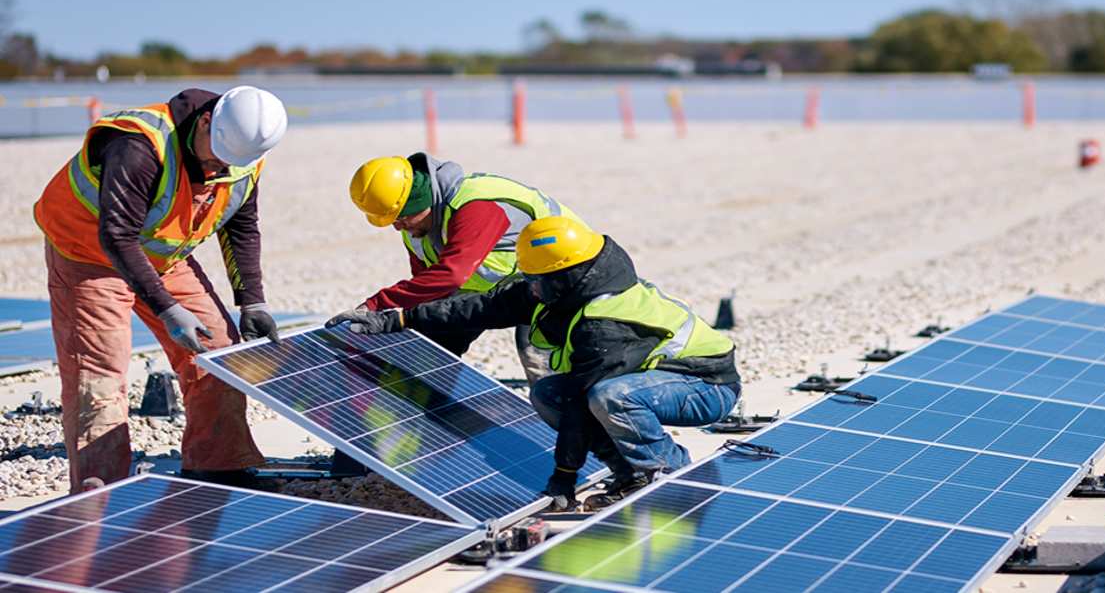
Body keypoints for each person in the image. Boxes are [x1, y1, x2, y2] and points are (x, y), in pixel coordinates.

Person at [327, 216, 740, 509]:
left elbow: (581, 405)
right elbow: (479, 307)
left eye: (536, 281)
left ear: (563, 275)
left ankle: (666, 472)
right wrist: (398, 319)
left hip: (707, 385)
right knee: (547, 394)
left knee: (608, 396)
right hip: (655, 381)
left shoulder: (604, 322)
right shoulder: (561, 286)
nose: (531, 289)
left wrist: (564, 477)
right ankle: (628, 472)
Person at [33, 86, 288, 492]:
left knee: (218, 350)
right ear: (206, 121)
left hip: (160, 255)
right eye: (216, 156)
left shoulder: (244, 152)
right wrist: (166, 308)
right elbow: (117, 236)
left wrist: (252, 301)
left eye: (229, 161)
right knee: (99, 376)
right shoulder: (139, 145)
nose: (219, 167)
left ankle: (217, 470)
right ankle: (100, 494)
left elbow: (242, 226)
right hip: (89, 254)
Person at [333, 153, 587, 384]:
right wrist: (397, 322)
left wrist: (375, 305)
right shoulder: (415, 228)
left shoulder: (476, 207)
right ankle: (429, 401)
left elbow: (452, 274)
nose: (397, 227)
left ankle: (569, 405)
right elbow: (429, 287)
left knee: (539, 353)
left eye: (400, 218)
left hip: (565, 274)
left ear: (421, 203)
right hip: (503, 284)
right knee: (434, 340)